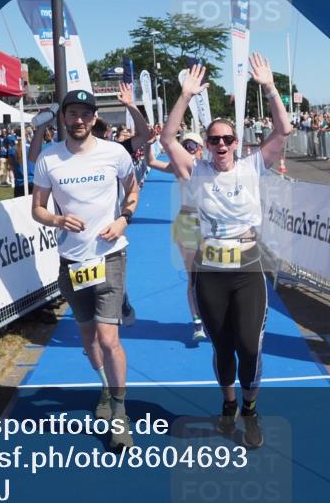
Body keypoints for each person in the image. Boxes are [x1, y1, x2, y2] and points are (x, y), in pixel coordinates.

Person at [160, 54, 293, 449]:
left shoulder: (253, 166)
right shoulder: (195, 170)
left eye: (227, 139)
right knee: (222, 347)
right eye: (214, 139)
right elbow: (167, 139)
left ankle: (251, 410)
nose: (220, 145)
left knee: (249, 345)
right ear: (206, 143)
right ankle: (228, 403)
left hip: (248, 267)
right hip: (210, 270)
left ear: (237, 143)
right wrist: (184, 95)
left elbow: (283, 128)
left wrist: (269, 87)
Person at [32, 90, 139, 451]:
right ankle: (106, 388)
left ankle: (120, 414)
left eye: (85, 114)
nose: (79, 120)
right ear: (63, 117)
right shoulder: (49, 158)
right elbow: (37, 209)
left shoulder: (115, 153)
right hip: (72, 262)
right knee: (90, 342)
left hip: (110, 256)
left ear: (95, 119)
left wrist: (124, 219)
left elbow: (133, 191)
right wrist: (57, 218)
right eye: (72, 114)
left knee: (109, 340)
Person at [148, 131, 207, 342]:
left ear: (201, 149)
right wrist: (149, 143)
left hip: (210, 226)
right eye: (186, 146)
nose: (189, 149)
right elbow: (152, 161)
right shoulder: (178, 168)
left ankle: (216, 316)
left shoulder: (210, 168)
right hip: (188, 223)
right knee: (193, 277)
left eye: (193, 146)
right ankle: (197, 321)